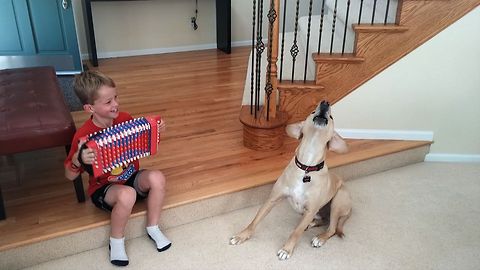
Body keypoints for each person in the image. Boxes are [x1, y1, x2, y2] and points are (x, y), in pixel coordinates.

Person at [64, 71, 171, 266]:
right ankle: (116, 241)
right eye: (107, 102)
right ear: (89, 108)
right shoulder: (83, 136)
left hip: (130, 177)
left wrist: (156, 129)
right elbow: (70, 176)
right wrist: (78, 160)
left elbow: (142, 144)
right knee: (127, 195)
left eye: (116, 97)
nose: (115, 104)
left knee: (157, 177)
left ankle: (153, 227)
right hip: (104, 189)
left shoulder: (125, 118)